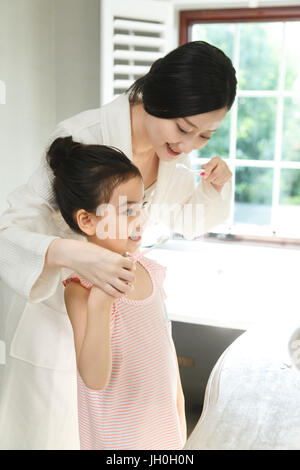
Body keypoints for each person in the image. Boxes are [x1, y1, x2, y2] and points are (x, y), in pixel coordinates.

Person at [0, 41, 236, 449]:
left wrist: (213, 190)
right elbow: (9, 230)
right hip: (61, 318)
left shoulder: (171, 156)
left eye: (205, 135)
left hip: (127, 323)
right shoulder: (82, 137)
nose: (190, 144)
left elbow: (187, 220)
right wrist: (76, 256)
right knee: (55, 435)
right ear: (157, 99)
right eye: (183, 128)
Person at [47, 136, 186, 450]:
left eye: (142, 207)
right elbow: (94, 379)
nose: (141, 220)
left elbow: (167, 357)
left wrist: (180, 427)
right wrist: (100, 304)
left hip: (165, 438)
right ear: (87, 220)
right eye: (127, 211)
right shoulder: (80, 290)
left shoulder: (151, 271)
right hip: (117, 443)